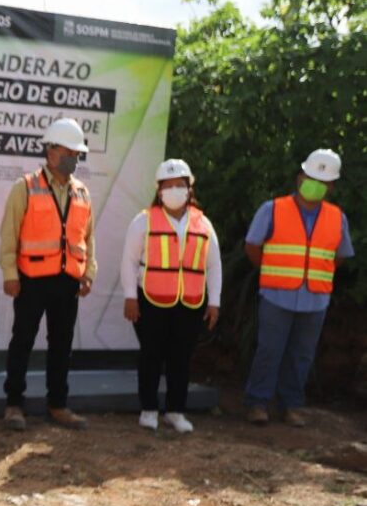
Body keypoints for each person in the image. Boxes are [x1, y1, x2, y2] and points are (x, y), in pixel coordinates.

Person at [242, 148, 353, 427]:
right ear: (299, 177)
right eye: (311, 178)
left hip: (316, 298)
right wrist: (271, 270)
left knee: (302, 355)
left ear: (331, 186)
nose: (315, 184)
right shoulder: (272, 209)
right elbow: (252, 247)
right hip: (276, 294)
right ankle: (257, 403)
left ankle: (291, 405)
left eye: (323, 181)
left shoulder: (337, 217)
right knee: (269, 350)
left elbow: (340, 255)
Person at [0, 117, 96, 431]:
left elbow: (87, 237)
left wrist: (88, 272)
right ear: (51, 152)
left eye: (77, 154)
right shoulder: (25, 187)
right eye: (69, 152)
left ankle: (58, 405)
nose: (74, 159)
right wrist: (10, 273)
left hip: (67, 281)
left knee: (62, 345)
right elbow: (9, 233)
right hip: (32, 280)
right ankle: (14, 404)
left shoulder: (82, 192)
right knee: (23, 341)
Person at [121, 159, 222, 434]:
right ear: (159, 190)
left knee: (181, 357)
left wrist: (214, 301)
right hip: (150, 299)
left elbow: (214, 265)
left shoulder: (203, 223)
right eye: (168, 185)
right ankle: (149, 409)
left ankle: (176, 411)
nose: (175, 190)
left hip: (190, 302)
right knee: (151, 355)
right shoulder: (143, 220)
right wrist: (130, 296)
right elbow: (129, 261)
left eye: (180, 184)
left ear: (189, 189)